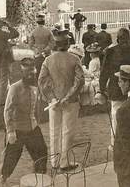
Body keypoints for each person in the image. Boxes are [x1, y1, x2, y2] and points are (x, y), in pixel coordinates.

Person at [38, 29, 85, 171]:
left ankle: (54, 162)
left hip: (54, 101)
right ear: (67, 43)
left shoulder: (48, 59)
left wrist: (52, 97)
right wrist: (68, 96)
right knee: (68, 131)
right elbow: (80, 80)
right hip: (70, 101)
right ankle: (65, 162)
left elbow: (42, 80)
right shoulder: (74, 58)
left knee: (54, 130)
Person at [1, 58, 48, 184]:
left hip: (32, 128)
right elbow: (7, 110)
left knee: (42, 152)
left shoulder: (35, 86)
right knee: (11, 157)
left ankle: (39, 179)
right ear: (22, 73)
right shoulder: (14, 88)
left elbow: (36, 105)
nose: (32, 76)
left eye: (33, 73)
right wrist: (10, 131)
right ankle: (3, 179)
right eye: (28, 74)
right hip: (18, 129)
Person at [98, 28, 130, 148]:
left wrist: (101, 89)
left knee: (116, 116)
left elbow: (104, 72)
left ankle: (115, 144)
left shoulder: (111, 51)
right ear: (129, 39)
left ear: (117, 39)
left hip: (116, 88)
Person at [29, 14, 54, 80]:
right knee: (48, 72)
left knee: (38, 72)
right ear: (44, 21)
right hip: (47, 54)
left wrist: (37, 50)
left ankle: (39, 87)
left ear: (37, 22)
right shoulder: (48, 31)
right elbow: (52, 43)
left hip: (37, 55)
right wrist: (46, 50)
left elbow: (30, 44)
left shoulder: (33, 32)